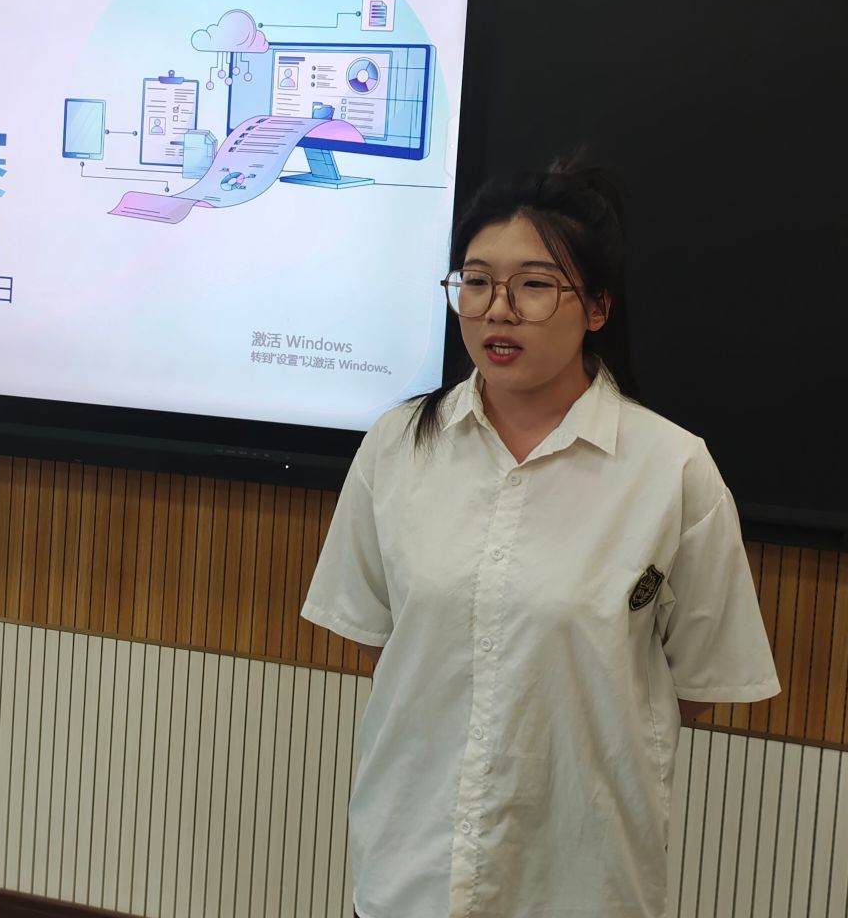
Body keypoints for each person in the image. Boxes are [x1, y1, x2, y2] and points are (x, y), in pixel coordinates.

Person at [302, 157, 781, 918]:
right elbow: (380, 640)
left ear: (597, 307)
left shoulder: (671, 470)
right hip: (412, 868)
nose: (498, 309)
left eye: (533, 284)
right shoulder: (398, 446)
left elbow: (696, 687)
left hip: (578, 879)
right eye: (476, 281)